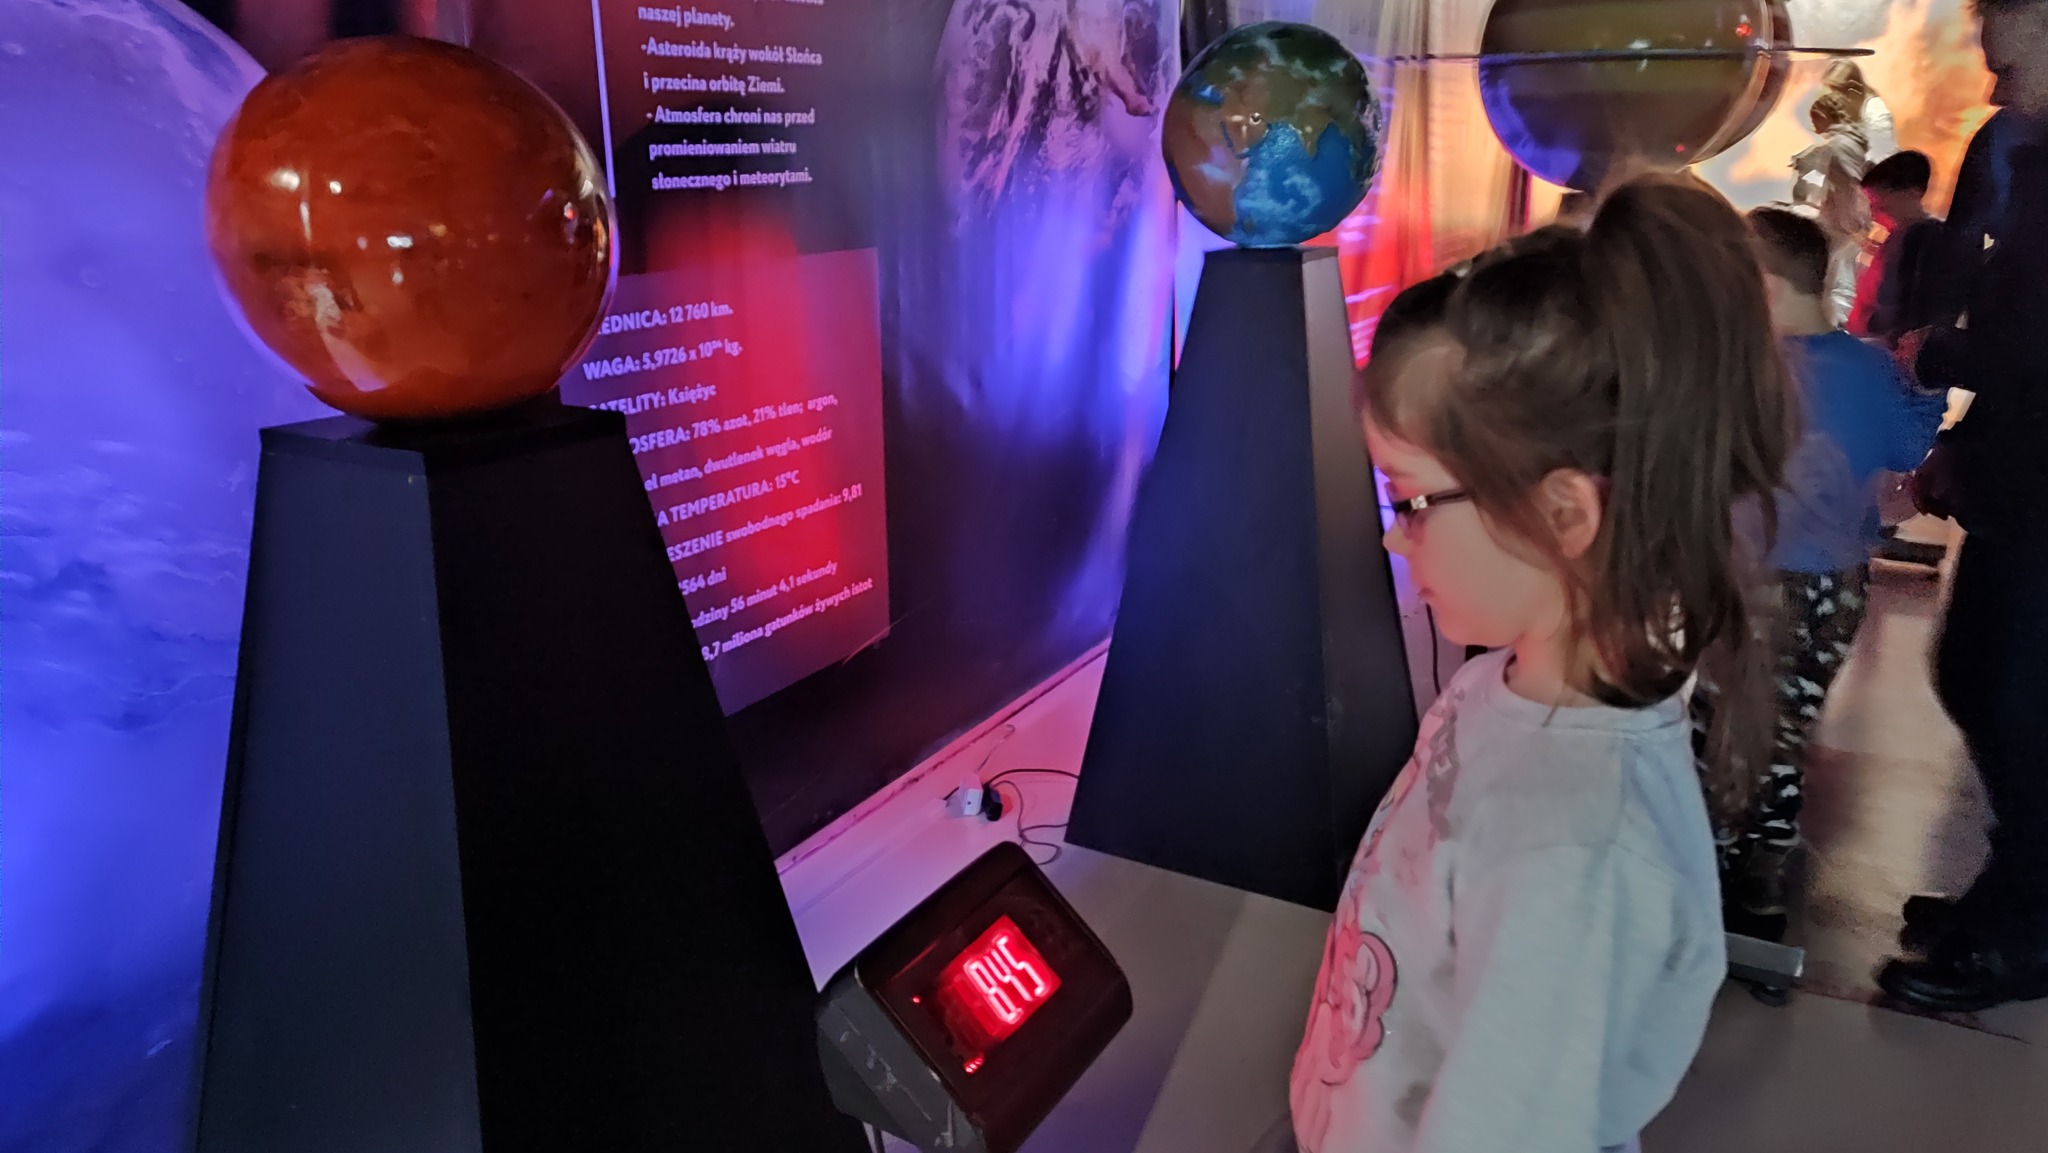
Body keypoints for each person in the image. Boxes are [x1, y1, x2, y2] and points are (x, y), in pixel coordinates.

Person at [1288, 175, 1791, 1153]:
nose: (1392, 537)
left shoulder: (1579, 855)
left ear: (1563, 513)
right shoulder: (1497, 686)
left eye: (1409, 500)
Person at [1696, 208, 1945, 940]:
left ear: (1764, 288)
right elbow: (1906, 450)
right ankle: (1758, 867)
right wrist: (1926, 384)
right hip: (1837, 587)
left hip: (1754, 584)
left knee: (1729, 728)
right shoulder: (1870, 367)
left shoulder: (1743, 371)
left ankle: (1727, 878)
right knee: (1779, 729)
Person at [1882, 0, 2048, 1014]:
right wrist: (1961, 440)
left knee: (2016, 696)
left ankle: (2022, 927)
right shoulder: (2022, 149)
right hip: (2016, 470)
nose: (1991, 82)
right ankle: (2012, 893)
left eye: (2007, 57)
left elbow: (2029, 340)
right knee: (1981, 674)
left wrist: (1935, 352)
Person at [1853, 150, 1947, 346]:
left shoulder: (1928, 239)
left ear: (1913, 193)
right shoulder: (1894, 239)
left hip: (1898, 347)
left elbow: (1907, 306)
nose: (1875, 213)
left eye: (1883, 206)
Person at [1793, 92, 1872, 325]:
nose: (1813, 126)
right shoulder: (1853, 142)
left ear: (1823, 116)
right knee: (1843, 269)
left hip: (1841, 217)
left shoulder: (1836, 147)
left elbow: (1844, 186)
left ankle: (1839, 321)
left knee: (1838, 273)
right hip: (1849, 215)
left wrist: (1847, 220)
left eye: (1814, 119)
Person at [1821, 59, 1901, 166]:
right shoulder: (1849, 110)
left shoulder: (1875, 109)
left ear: (1853, 88)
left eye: (1838, 92)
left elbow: (1882, 152)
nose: (1834, 98)